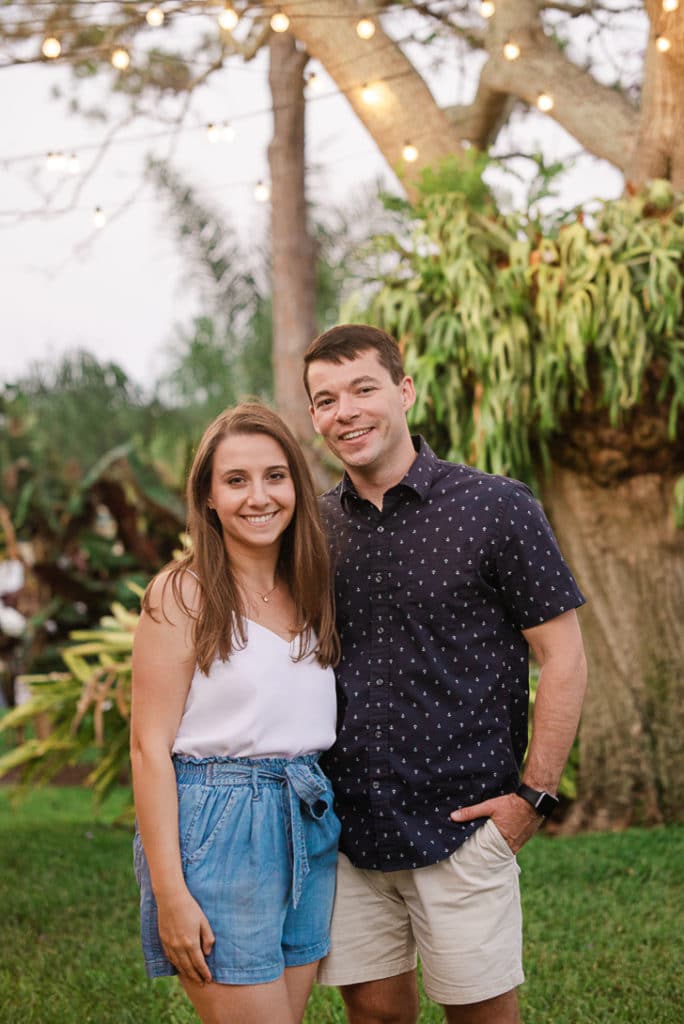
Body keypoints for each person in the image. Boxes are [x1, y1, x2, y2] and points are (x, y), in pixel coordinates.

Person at [302, 325, 588, 1024]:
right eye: (325, 399)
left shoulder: (496, 507)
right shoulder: (310, 529)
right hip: (349, 831)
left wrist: (535, 797)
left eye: (363, 389)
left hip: (463, 825)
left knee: (480, 1017)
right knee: (374, 1015)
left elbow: (566, 658)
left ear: (404, 392)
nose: (346, 412)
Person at [130, 402, 341, 1024]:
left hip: (307, 818)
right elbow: (148, 748)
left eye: (275, 476)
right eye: (237, 480)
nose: (259, 497)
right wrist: (170, 894)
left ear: (297, 489)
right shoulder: (183, 593)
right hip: (219, 826)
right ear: (210, 498)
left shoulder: (311, 587)